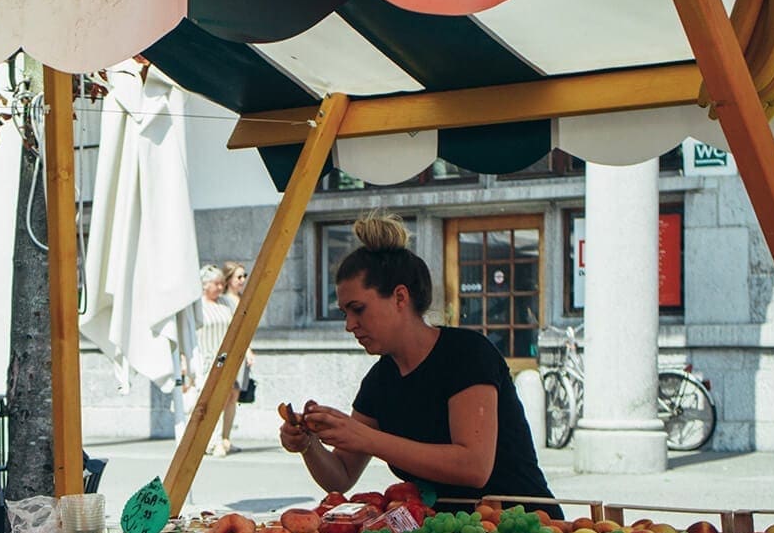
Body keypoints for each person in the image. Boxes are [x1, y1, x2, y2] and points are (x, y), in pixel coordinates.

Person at [277, 213, 559, 513]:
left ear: (400, 297)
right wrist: (308, 444)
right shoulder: (380, 379)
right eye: (345, 312)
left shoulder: (467, 354)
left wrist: (364, 437)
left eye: (358, 309)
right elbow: (341, 475)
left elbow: (474, 467)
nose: (349, 325)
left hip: (526, 527)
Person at [185, 265, 238, 456]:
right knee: (206, 402)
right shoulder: (197, 306)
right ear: (205, 285)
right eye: (216, 284)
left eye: (222, 283)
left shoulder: (225, 303)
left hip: (224, 359)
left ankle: (217, 439)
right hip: (204, 359)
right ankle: (211, 442)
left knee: (223, 400)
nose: (220, 287)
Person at [219, 261, 256, 439]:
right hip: (230, 353)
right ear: (229, 279)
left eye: (244, 276)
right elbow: (233, 330)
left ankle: (226, 437)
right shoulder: (224, 301)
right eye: (238, 277)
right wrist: (248, 350)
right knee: (224, 396)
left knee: (233, 396)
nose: (242, 280)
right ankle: (217, 438)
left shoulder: (242, 299)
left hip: (241, 353)